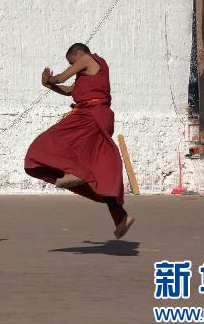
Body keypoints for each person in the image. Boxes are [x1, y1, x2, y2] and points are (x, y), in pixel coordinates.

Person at [24, 43, 135, 239]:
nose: (72, 66)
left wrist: (50, 78)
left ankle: (73, 172)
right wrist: (49, 85)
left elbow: (61, 77)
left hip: (90, 116)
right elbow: (68, 90)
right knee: (97, 167)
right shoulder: (87, 74)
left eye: (71, 62)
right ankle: (120, 217)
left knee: (49, 141)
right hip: (97, 116)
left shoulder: (87, 59)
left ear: (79, 53)